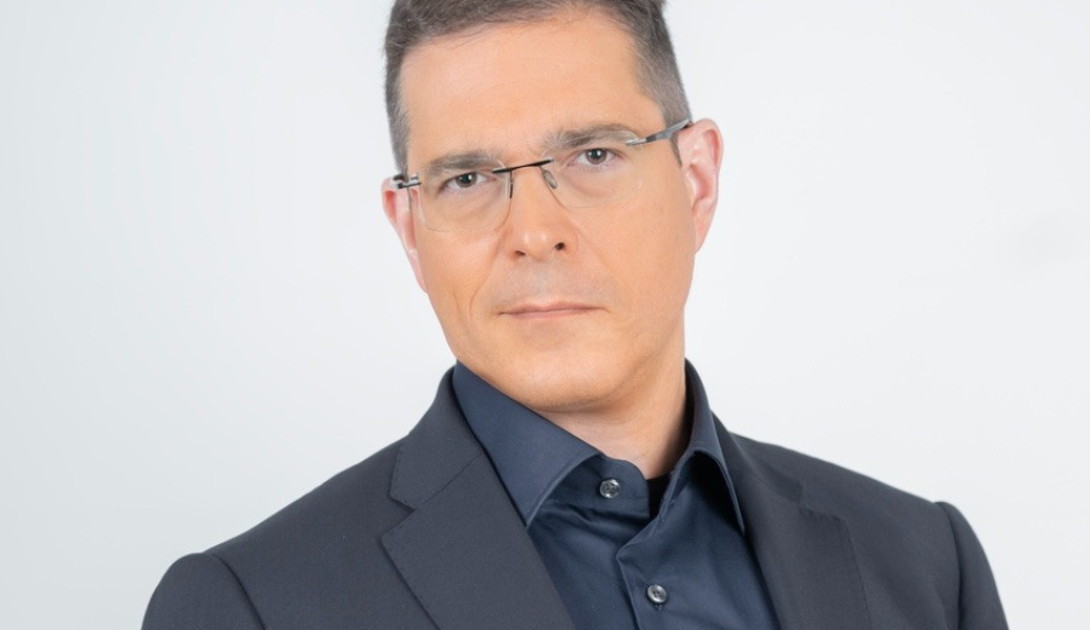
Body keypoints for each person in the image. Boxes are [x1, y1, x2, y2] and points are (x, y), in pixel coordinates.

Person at [142, 1, 1008, 628]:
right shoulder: (250, 608)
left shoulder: (927, 566)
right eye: (468, 179)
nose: (533, 233)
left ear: (696, 181)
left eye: (593, 155)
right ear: (410, 227)